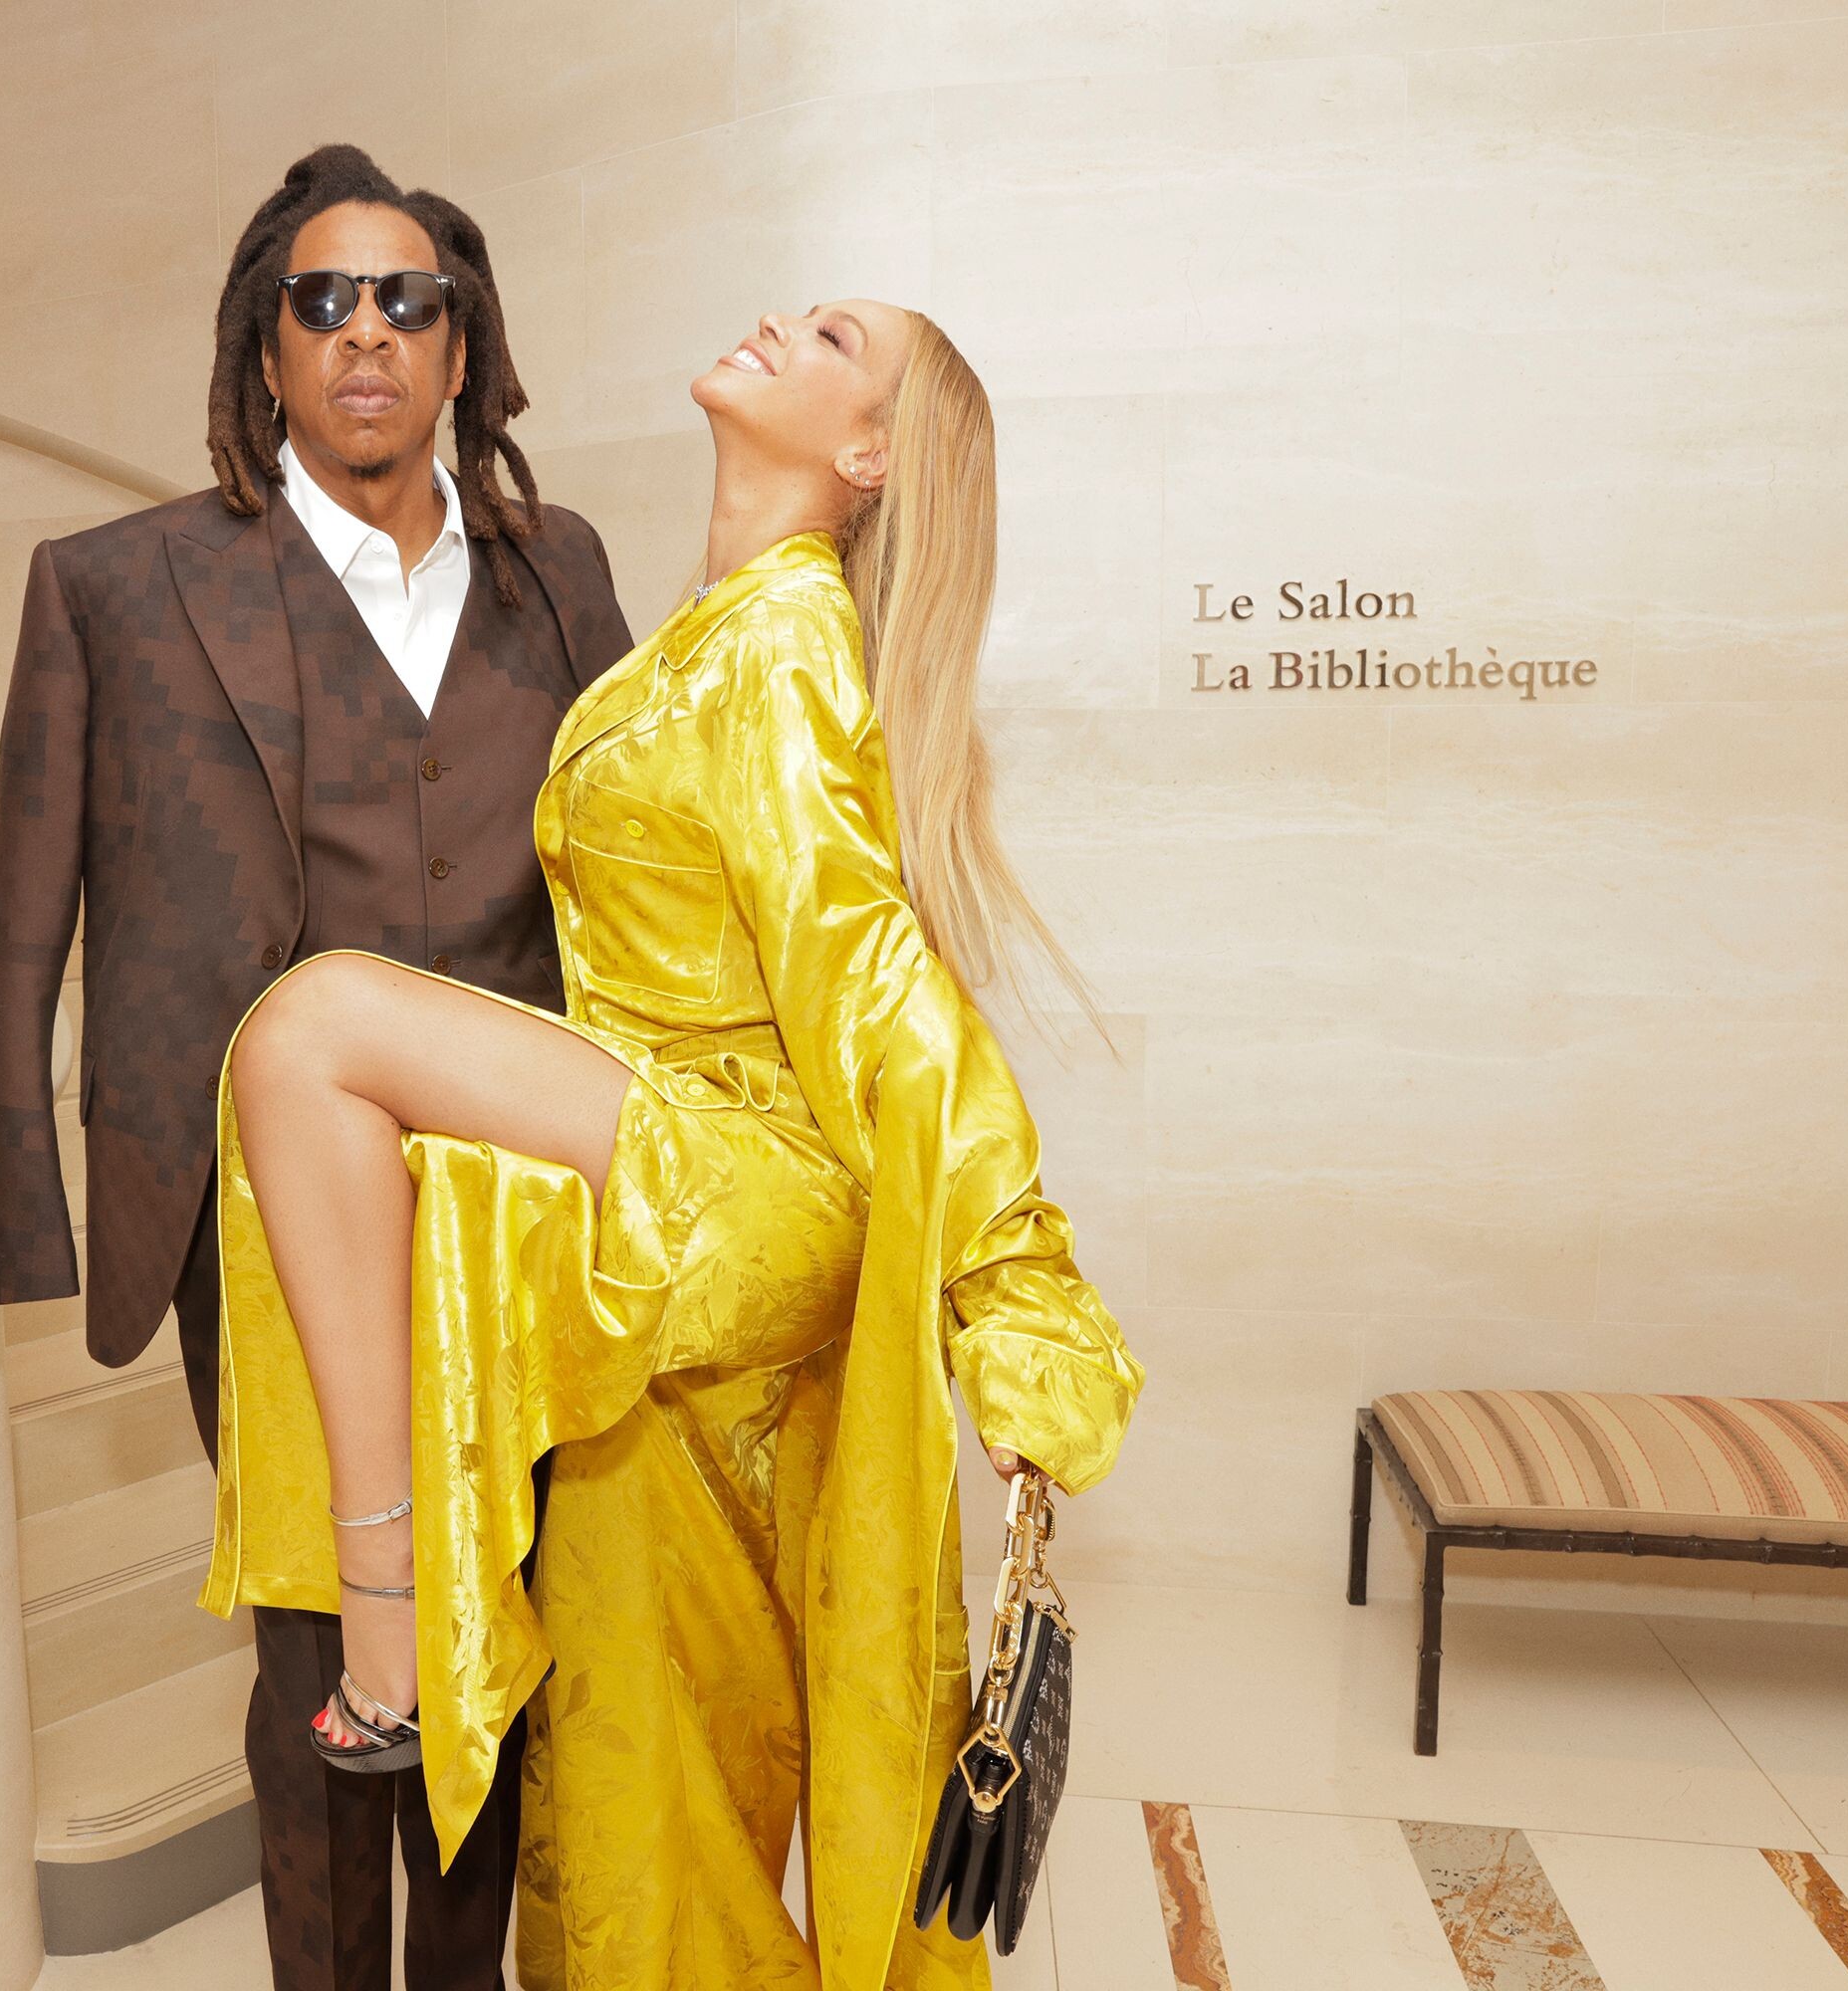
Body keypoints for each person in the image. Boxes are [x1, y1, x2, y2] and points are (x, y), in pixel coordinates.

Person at [199, 299, 1149, 1989]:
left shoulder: (782, 643)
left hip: (734, 1168)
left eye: (833, 339)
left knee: (312, 1030)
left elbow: (873, 982)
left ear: (868, 455)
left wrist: (1017, 1297)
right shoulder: (711, 637)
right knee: (645, 1738)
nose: (782, 323)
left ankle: (387, 1618)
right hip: (672, 1189)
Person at [0, 145, 635, 1990]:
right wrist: (30, 1202)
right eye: (321, 300)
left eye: (407, 300)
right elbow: (25, 908)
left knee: (490, 1629)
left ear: (460, 347)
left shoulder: (560, 570)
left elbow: (637, 858)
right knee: (317, 1647)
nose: (365, 332)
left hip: (518, 1198)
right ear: (264, 349)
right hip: (252, 1215)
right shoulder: (115, 585)